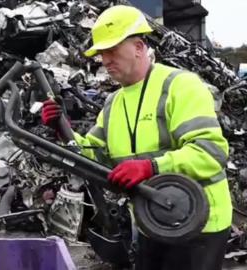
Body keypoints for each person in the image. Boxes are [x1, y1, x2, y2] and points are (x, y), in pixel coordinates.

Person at [41, 5, 232, 270]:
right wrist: (62, 129)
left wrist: (150, 167)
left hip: (197, 223)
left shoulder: (180, 85)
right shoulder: (113, 102)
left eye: (112, 50)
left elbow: (210, 152)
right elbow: (93, 155)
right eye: (100, 53)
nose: (105, 60)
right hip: (150, 222)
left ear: (139, 47)